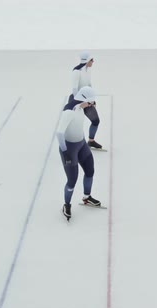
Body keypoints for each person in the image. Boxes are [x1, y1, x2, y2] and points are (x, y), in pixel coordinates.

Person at [57, 86, 102, 220]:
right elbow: (59, 133)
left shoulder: (81, 106)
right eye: (90, 102)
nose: (92, 105)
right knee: (72, 180)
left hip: (81, 144)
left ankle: (87, 197)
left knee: (90, 171)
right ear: (84, 100)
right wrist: (65, 152)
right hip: (69, 149)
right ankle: (66, 205)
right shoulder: (69, 111)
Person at [71, 52, 103, 150]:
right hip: (78, 101)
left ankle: (91, 141)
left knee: (95, 121)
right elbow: (74, 89)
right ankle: (76, 143)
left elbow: (89, 85)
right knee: (77, 124)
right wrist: (79, 104)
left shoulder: (88, 70)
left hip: (88, 100)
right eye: (91, 60)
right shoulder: (77, 71)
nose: (93, 61)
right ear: (87, 61)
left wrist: (92, 100)